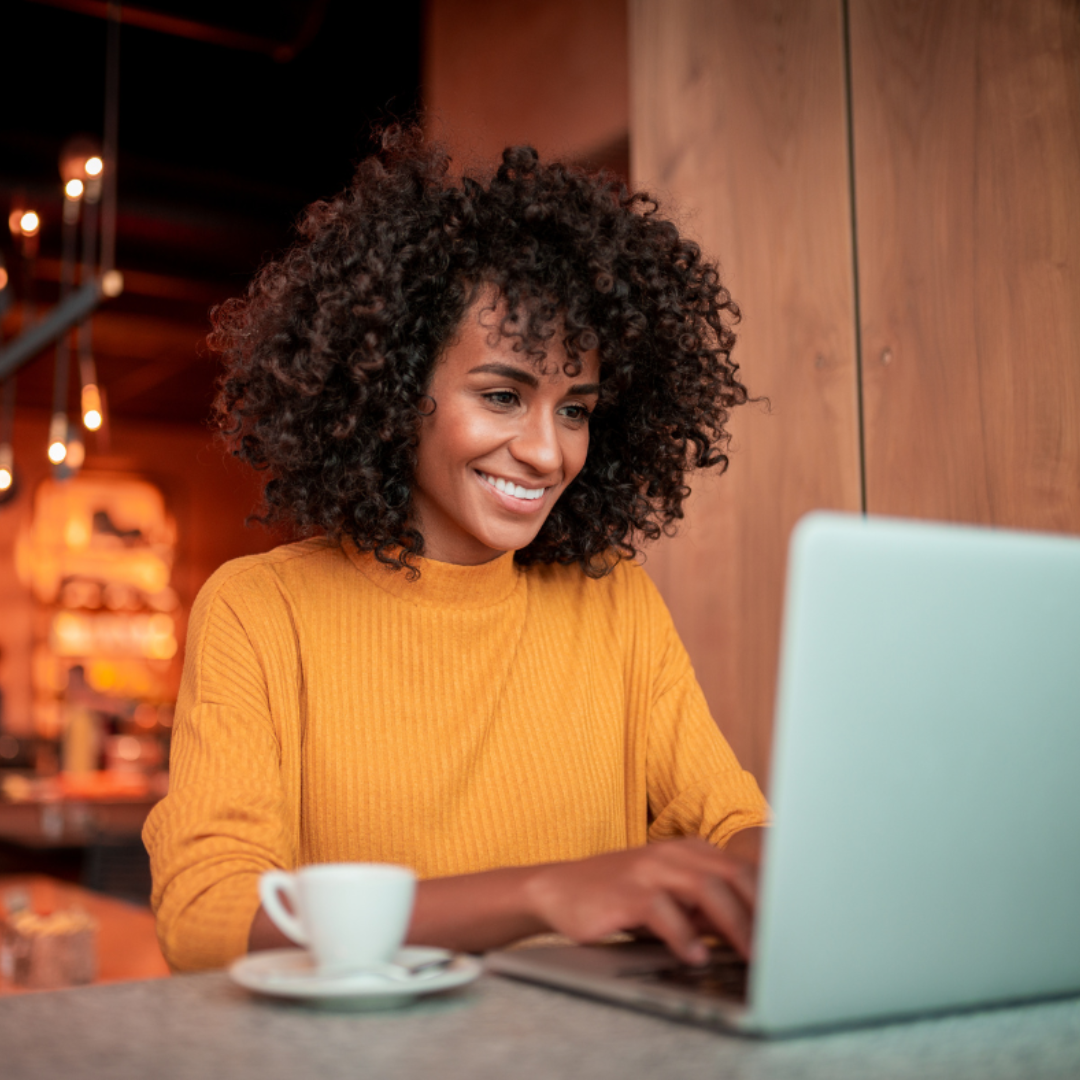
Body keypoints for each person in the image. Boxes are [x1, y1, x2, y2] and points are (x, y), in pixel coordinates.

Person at [144, 127, 769, 973]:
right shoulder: (263, 611)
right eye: (504, 395)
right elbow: (207, 918)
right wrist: (543, 894)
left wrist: (779, 873)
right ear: (396, 388)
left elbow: (735, 828)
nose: (549, 454)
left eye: (575, 409)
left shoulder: (613, 602)